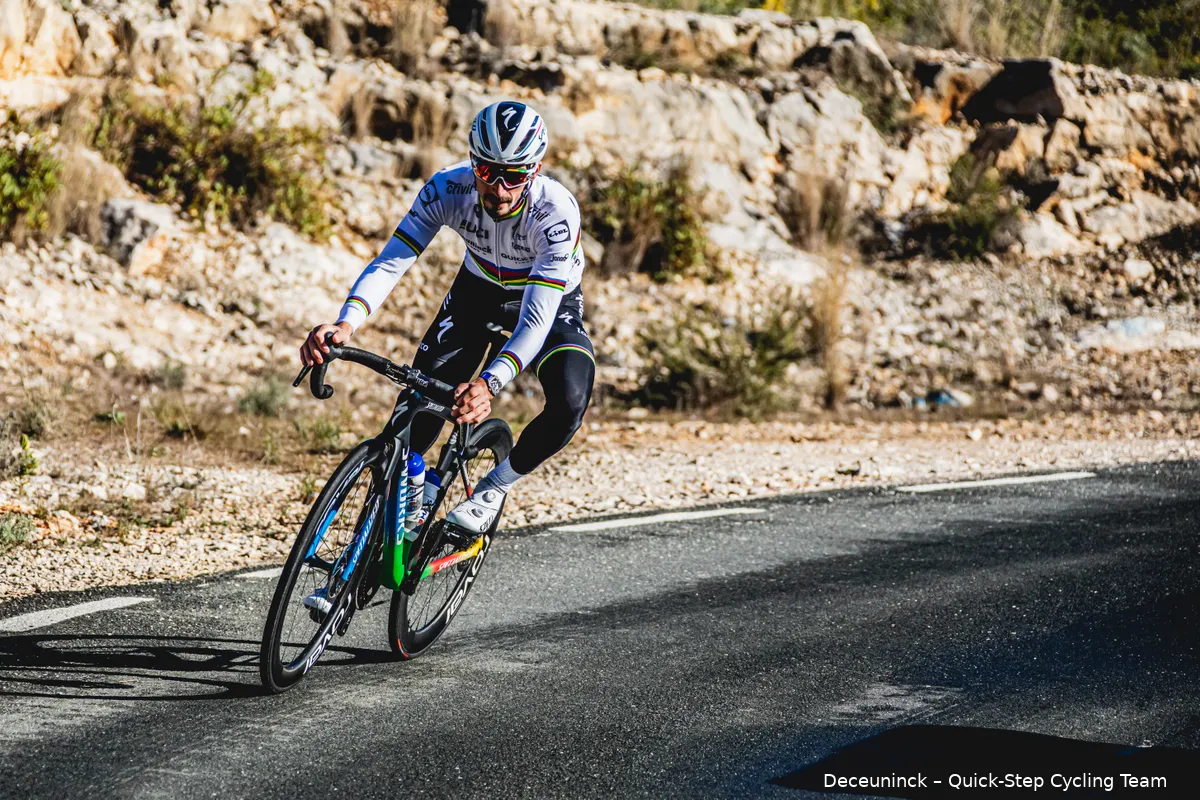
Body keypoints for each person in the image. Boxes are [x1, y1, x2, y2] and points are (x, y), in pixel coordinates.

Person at [300, 101, 595, 534]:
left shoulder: (554, 214)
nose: (498, 188)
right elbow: (391, 262)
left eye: (513, 175)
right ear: (473, 163)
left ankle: (494, 487)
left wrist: (489, 383)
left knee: (570, 400)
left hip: (547, 301)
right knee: (417, 410)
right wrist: (344, 324)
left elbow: (534, 323)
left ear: (534, 170)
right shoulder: (447, 189)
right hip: (477, 293)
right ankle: (386, 522)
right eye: (487, 171)